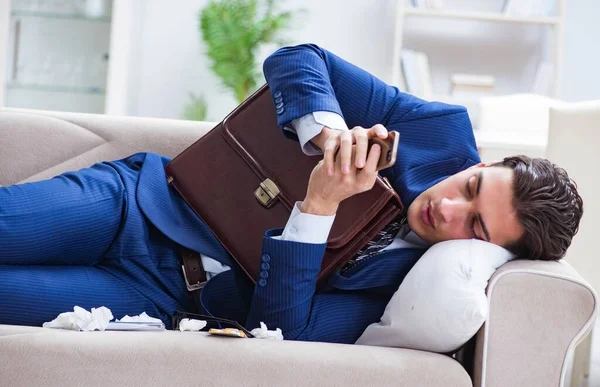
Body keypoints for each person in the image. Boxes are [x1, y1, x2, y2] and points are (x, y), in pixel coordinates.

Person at [0, 44, 583, 344]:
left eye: (476, 226)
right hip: (139, 204)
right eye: (473, 186)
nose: (448, 207)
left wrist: (319, 208)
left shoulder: (406, 290)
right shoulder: (440, 131)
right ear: (483, 161)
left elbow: (286, 332)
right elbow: (299, 58)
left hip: (156, 295)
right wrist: (326, 132)